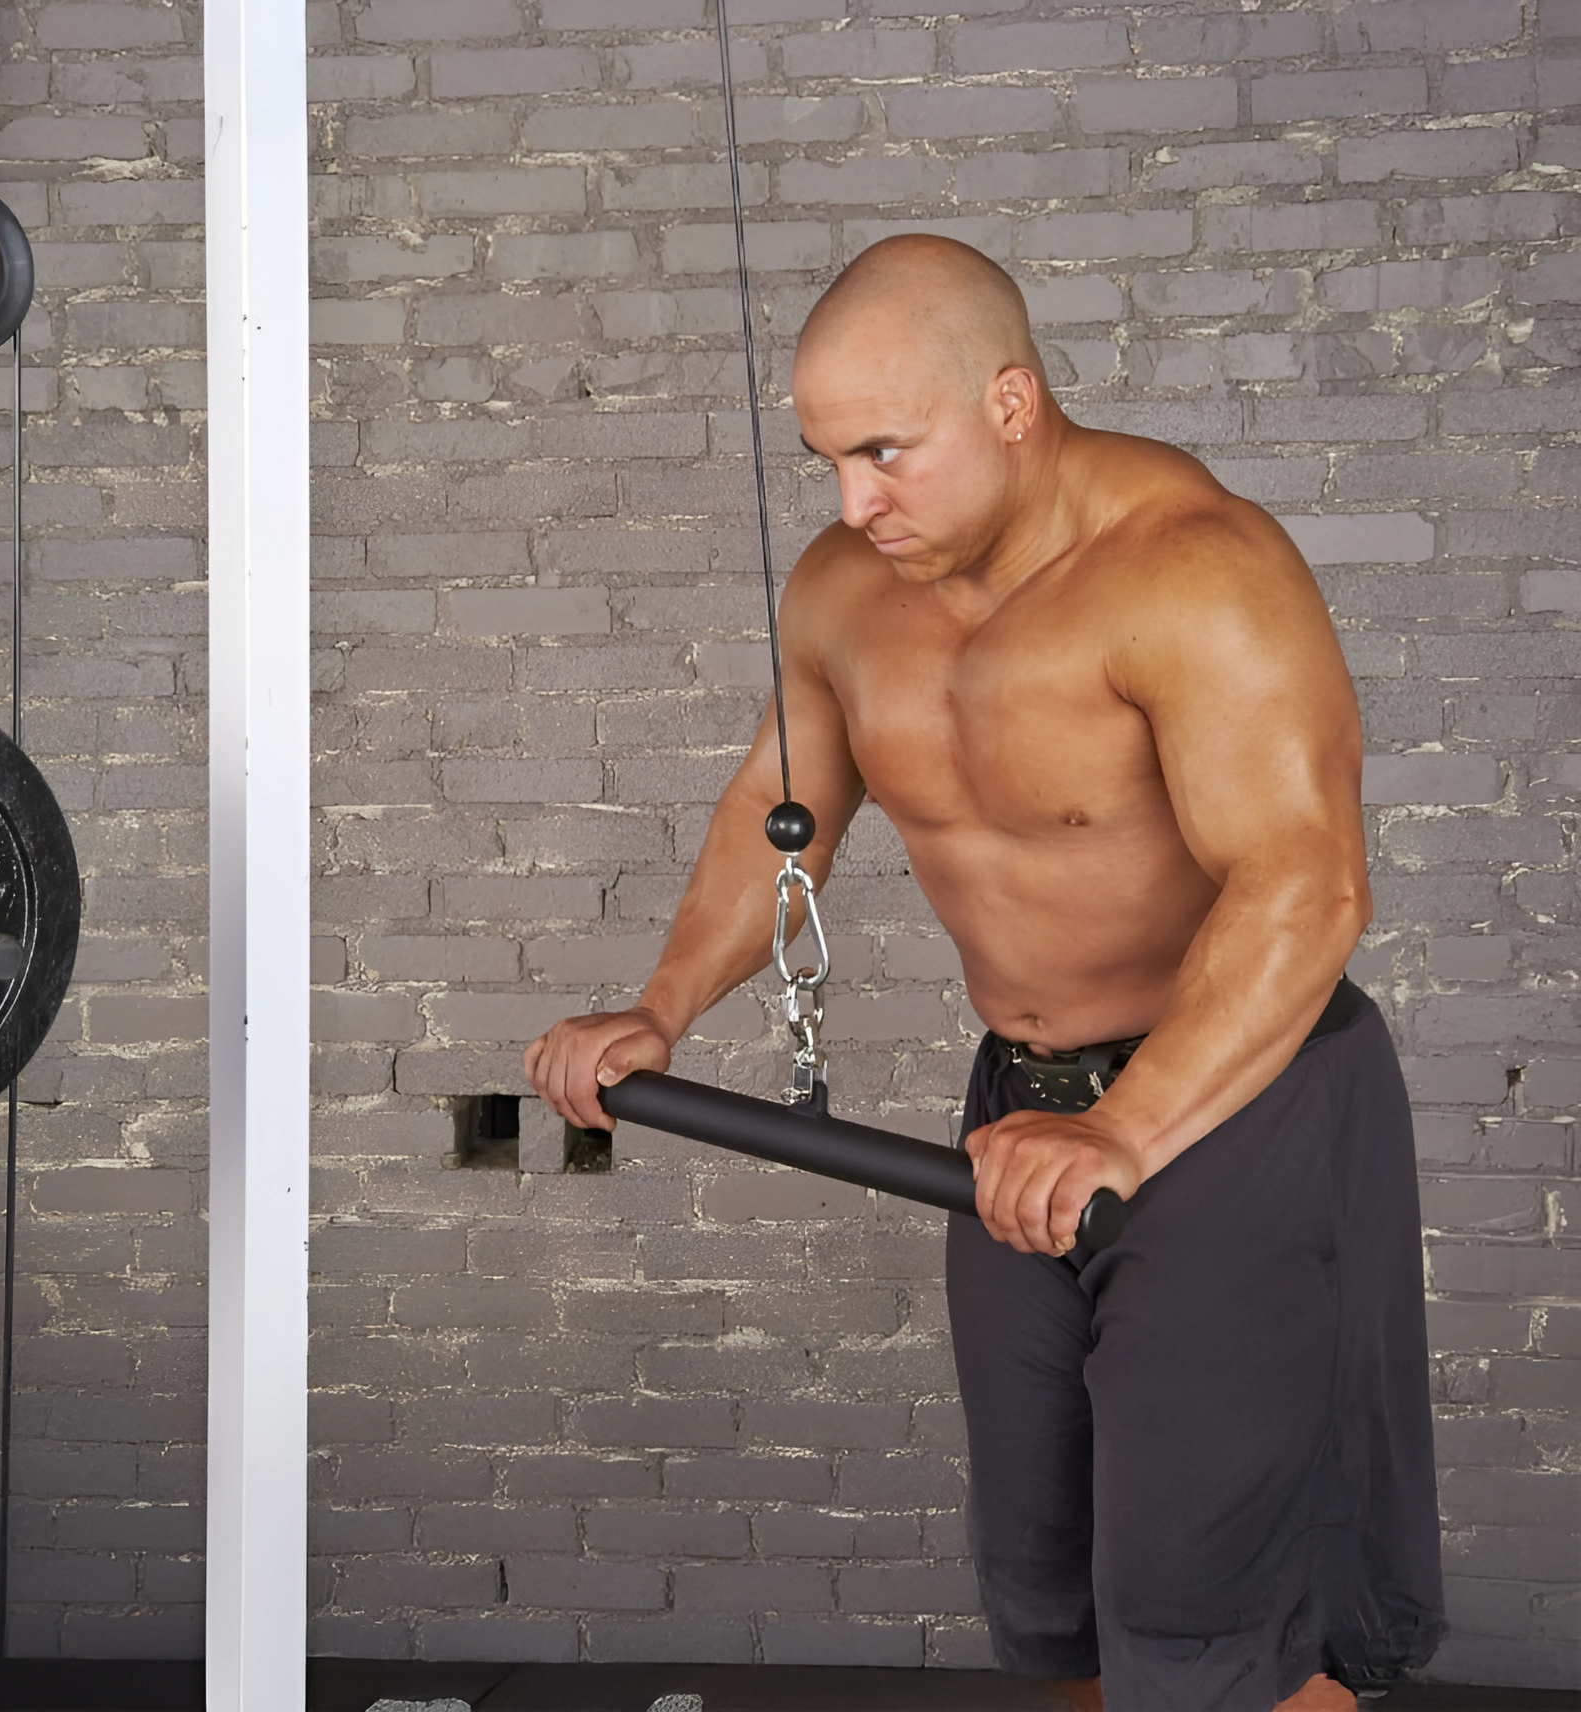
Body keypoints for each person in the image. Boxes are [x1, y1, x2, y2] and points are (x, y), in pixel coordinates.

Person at [524, 235, 1444, 1712]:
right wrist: (663, 1004)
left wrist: (1127, 1130)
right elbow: (784, 812)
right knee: (1059, 1595)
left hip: (1230, 1109)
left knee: (1209, 1621)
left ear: (1013, 405)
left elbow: (1309, 882)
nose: (852, 502)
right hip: (1021, 1116)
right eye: (828, 460)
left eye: (887, 452)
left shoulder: (1193, 572)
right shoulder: (845, 589)